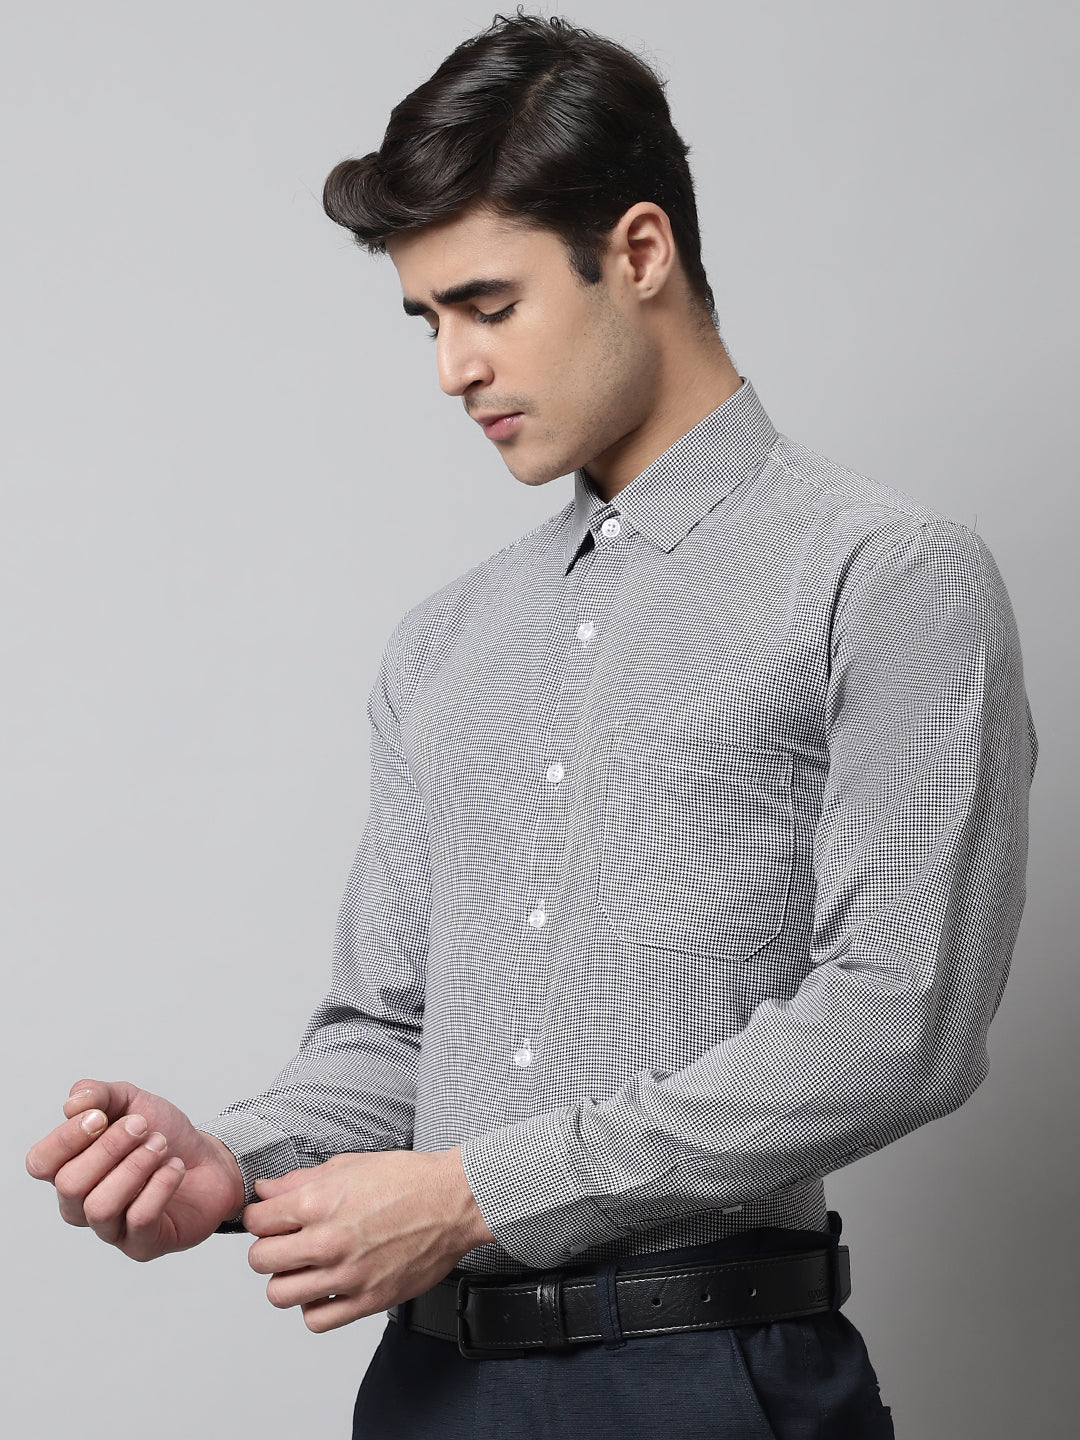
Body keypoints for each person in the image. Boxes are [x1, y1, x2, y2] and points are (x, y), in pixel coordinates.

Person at [26, 13, 1037, 1438]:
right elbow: (389, 1033)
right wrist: (229, 1161)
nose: (452, 369)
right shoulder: (446, 642)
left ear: (640, 251)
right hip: (431, 1388)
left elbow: (900, 1025)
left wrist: (477, 1193)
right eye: (427, 320)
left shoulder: (884, 576)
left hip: (710, 1377)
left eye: (487, 306)